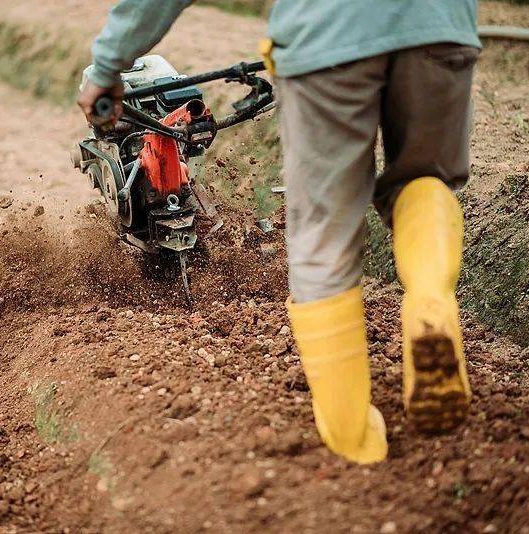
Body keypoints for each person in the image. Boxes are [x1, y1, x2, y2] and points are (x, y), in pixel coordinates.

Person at [78, 0, 480, 464]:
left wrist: (107, 65)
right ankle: (431, 307)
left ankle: (354, 440)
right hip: (440, 27)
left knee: (324, 230)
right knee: (424, 179)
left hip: (325, 36)